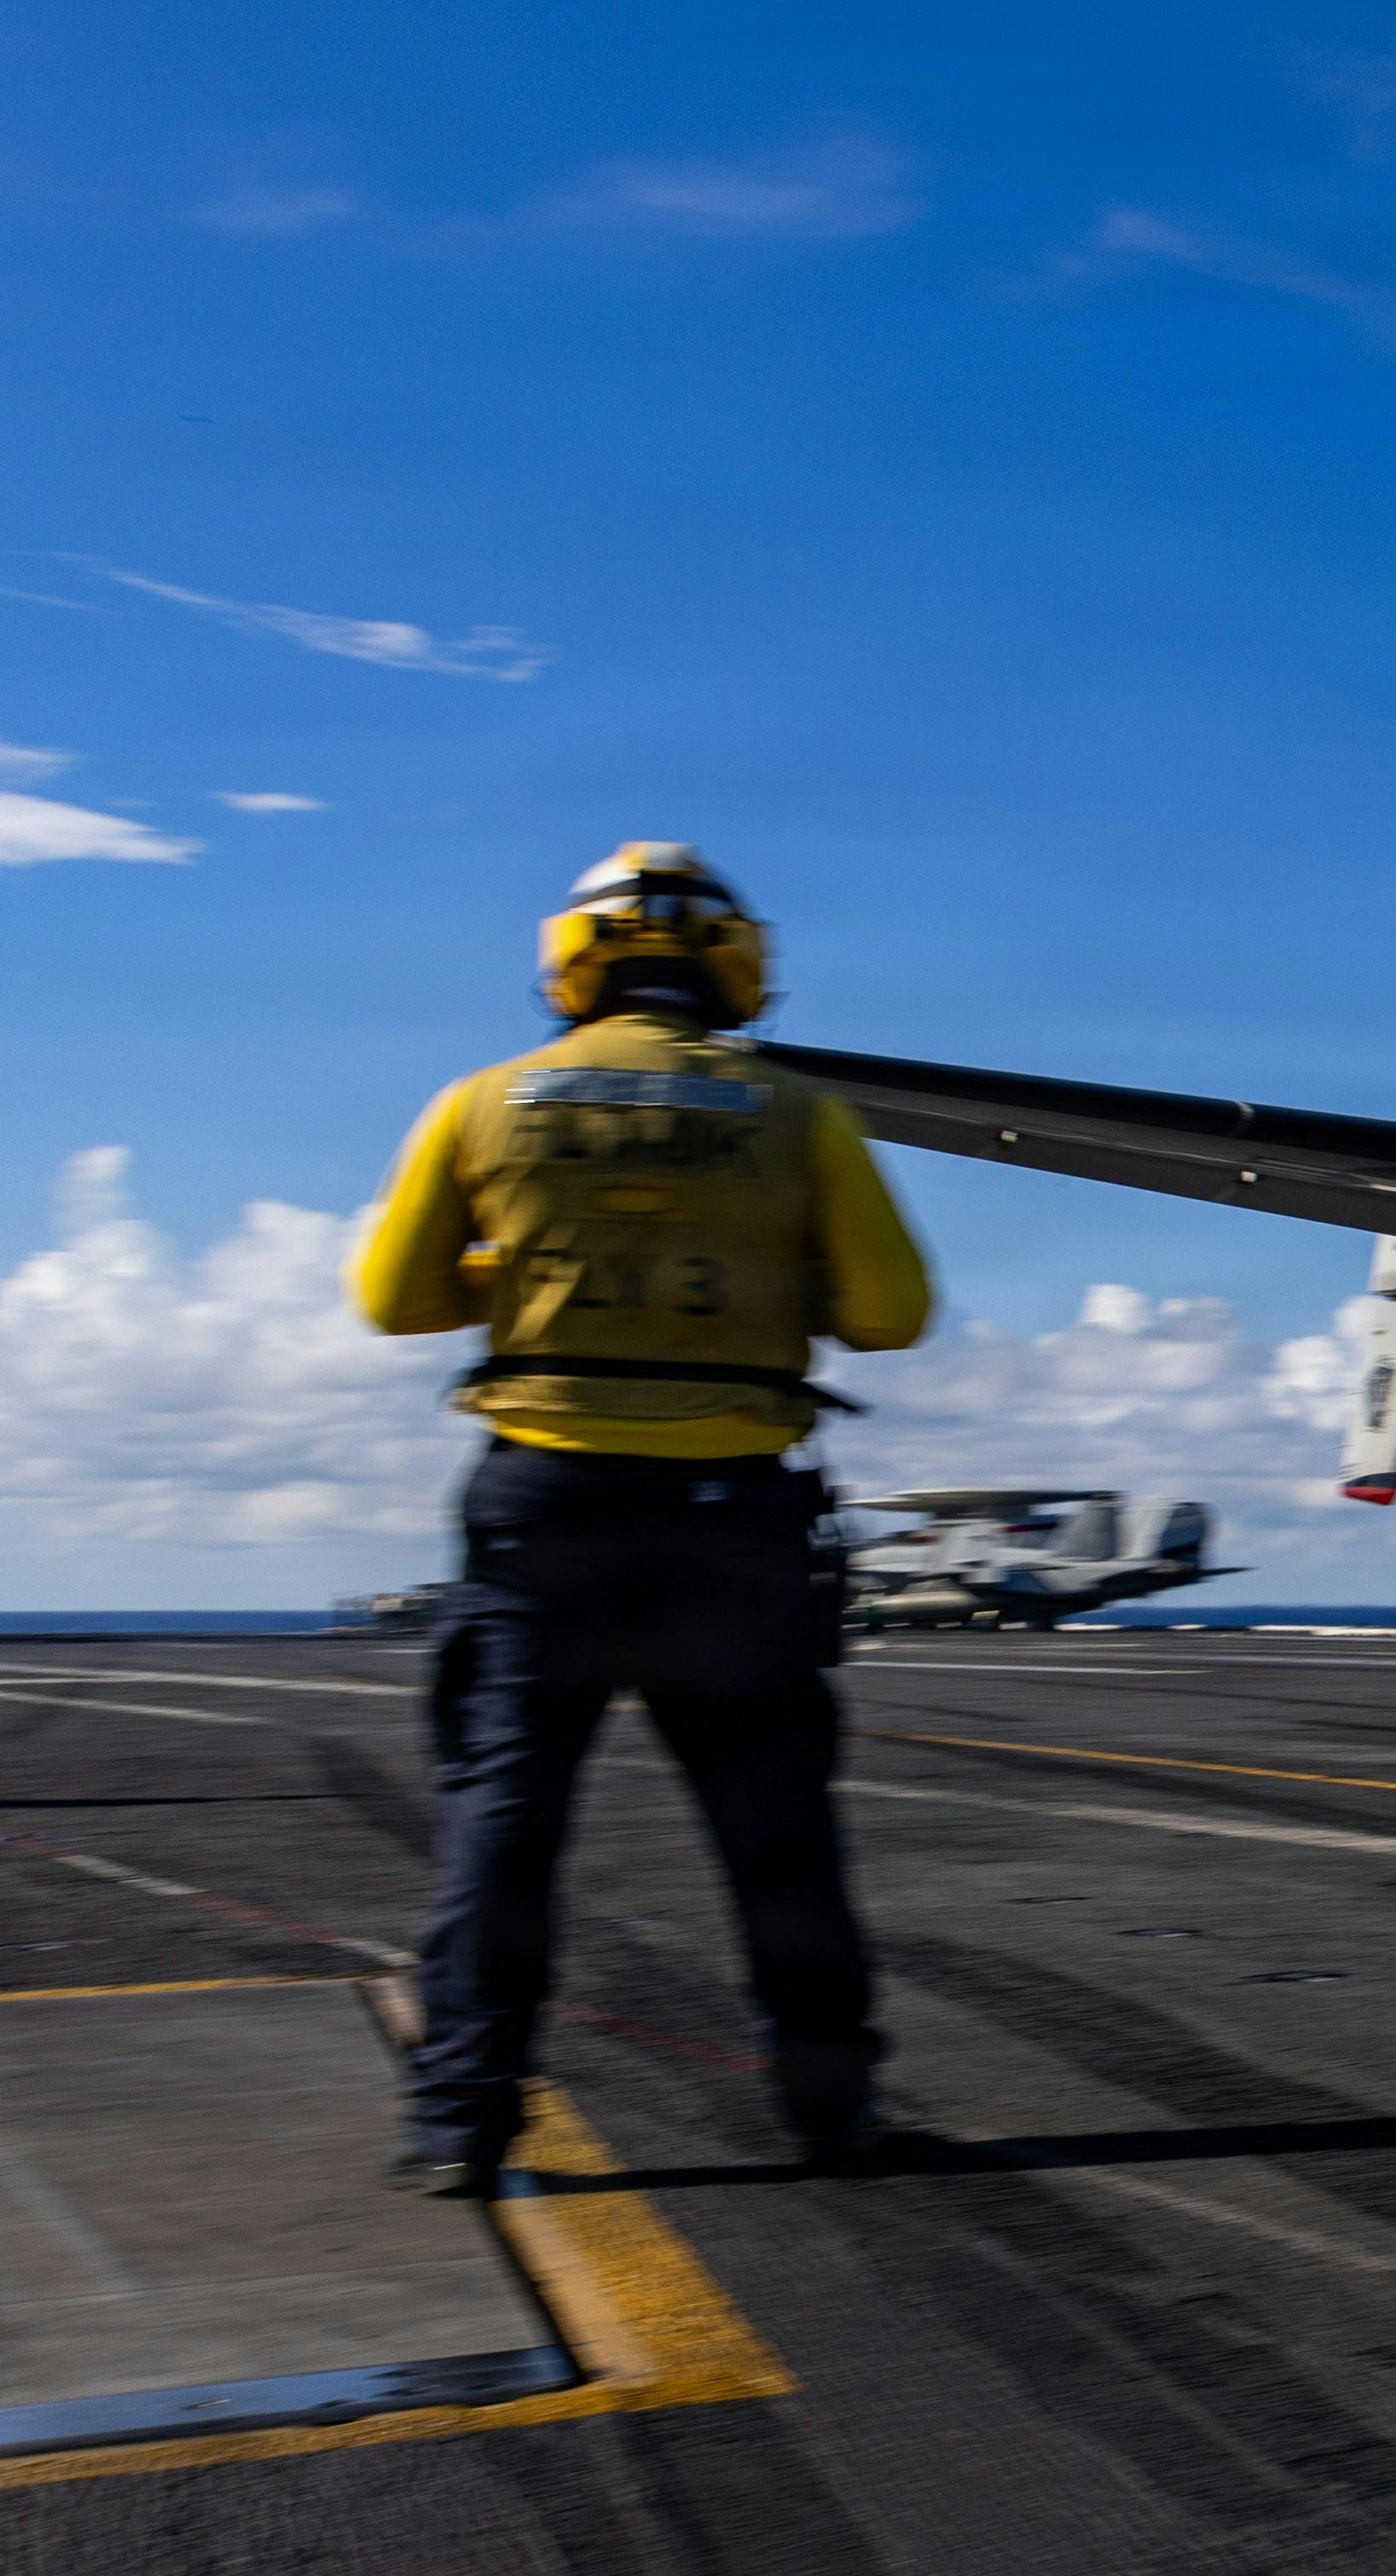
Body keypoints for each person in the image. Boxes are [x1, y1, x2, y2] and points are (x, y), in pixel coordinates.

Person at [350, 843, 932, 2192]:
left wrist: (522, 1275)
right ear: (734, 962)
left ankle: (460, 2125)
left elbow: (391, 1299)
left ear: (574, 956)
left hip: (542, 1512)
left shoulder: (485, 1102)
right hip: (734, 1525)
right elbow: (891, 1317)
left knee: (502, 1830)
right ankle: (830, 2106)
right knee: (777, 1835)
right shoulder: (796, 1113)